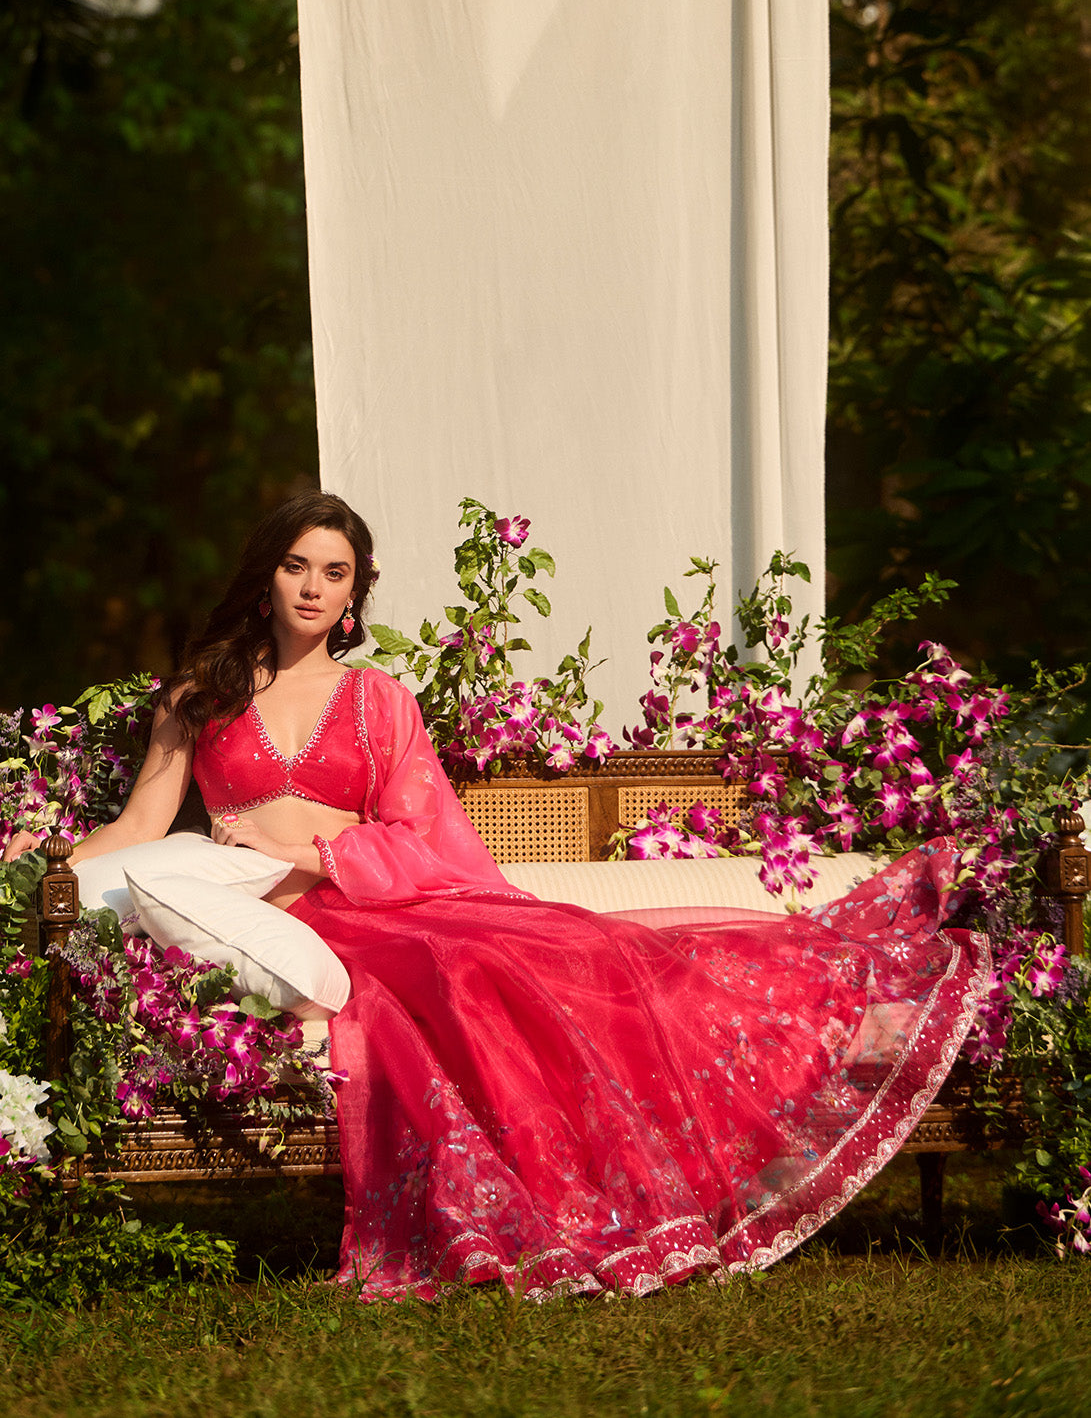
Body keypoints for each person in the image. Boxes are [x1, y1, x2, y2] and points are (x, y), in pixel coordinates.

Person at [5, 493, 990, 1301]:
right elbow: (138, 830)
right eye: (297, 565)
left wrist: (320, 840)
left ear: (355, 592)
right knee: (453, 970)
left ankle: (660, 1162)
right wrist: (36, 870)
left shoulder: (376, 700)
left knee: (533, 954)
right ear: (264, 575)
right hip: (269, 914)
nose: (312, 586)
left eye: (334, 572)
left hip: (378, 898)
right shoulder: (197, 698)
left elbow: (426, 836)